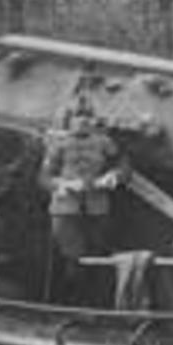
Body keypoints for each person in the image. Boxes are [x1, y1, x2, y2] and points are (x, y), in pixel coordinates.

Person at [38, 97, 128, 300]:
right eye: (78, 116)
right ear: (70, 120)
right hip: (66, 209)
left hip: (97, 207)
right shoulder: (59, 143)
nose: (83, 121)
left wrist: (113, 176)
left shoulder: (105, 143)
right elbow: (44, 178)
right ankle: (70, 302)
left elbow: (123, 166)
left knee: (98, 257)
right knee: (73, 260)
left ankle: (96, 303)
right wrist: (62, 185)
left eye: (87, 116)